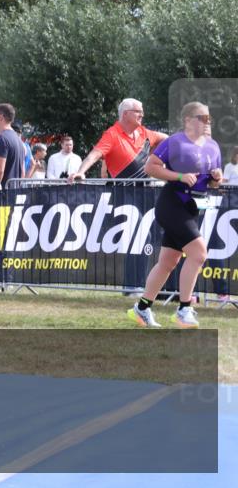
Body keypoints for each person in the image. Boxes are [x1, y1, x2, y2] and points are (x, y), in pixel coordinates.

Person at [128, 102, 222, 328]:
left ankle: (142, 308)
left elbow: (213, 183)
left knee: (168, 262)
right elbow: (150, 167)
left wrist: (217, 178)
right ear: (188, 120)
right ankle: (184, 309)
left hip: (193, 207)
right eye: (202, 117)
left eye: (209, 118)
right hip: (172, 204)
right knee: (199, 253)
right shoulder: (175, 141)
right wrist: (179, 176)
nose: (207, 122)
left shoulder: (213, 146)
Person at [69, 98, 167, 182]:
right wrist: (80, 172)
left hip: (146, 193)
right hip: (122, 194)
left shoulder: (144, 132)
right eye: (138, 111)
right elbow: (93, 155)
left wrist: (152, 156)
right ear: (125, 113)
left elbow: (167, 139)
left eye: (142, 112)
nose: (142, 115)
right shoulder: (112, 135)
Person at [0, 103, 26, 189]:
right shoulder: (18, 139)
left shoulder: (1, 138)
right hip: (14, 191)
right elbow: (23, 171)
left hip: (2, 193)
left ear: (1, 117)